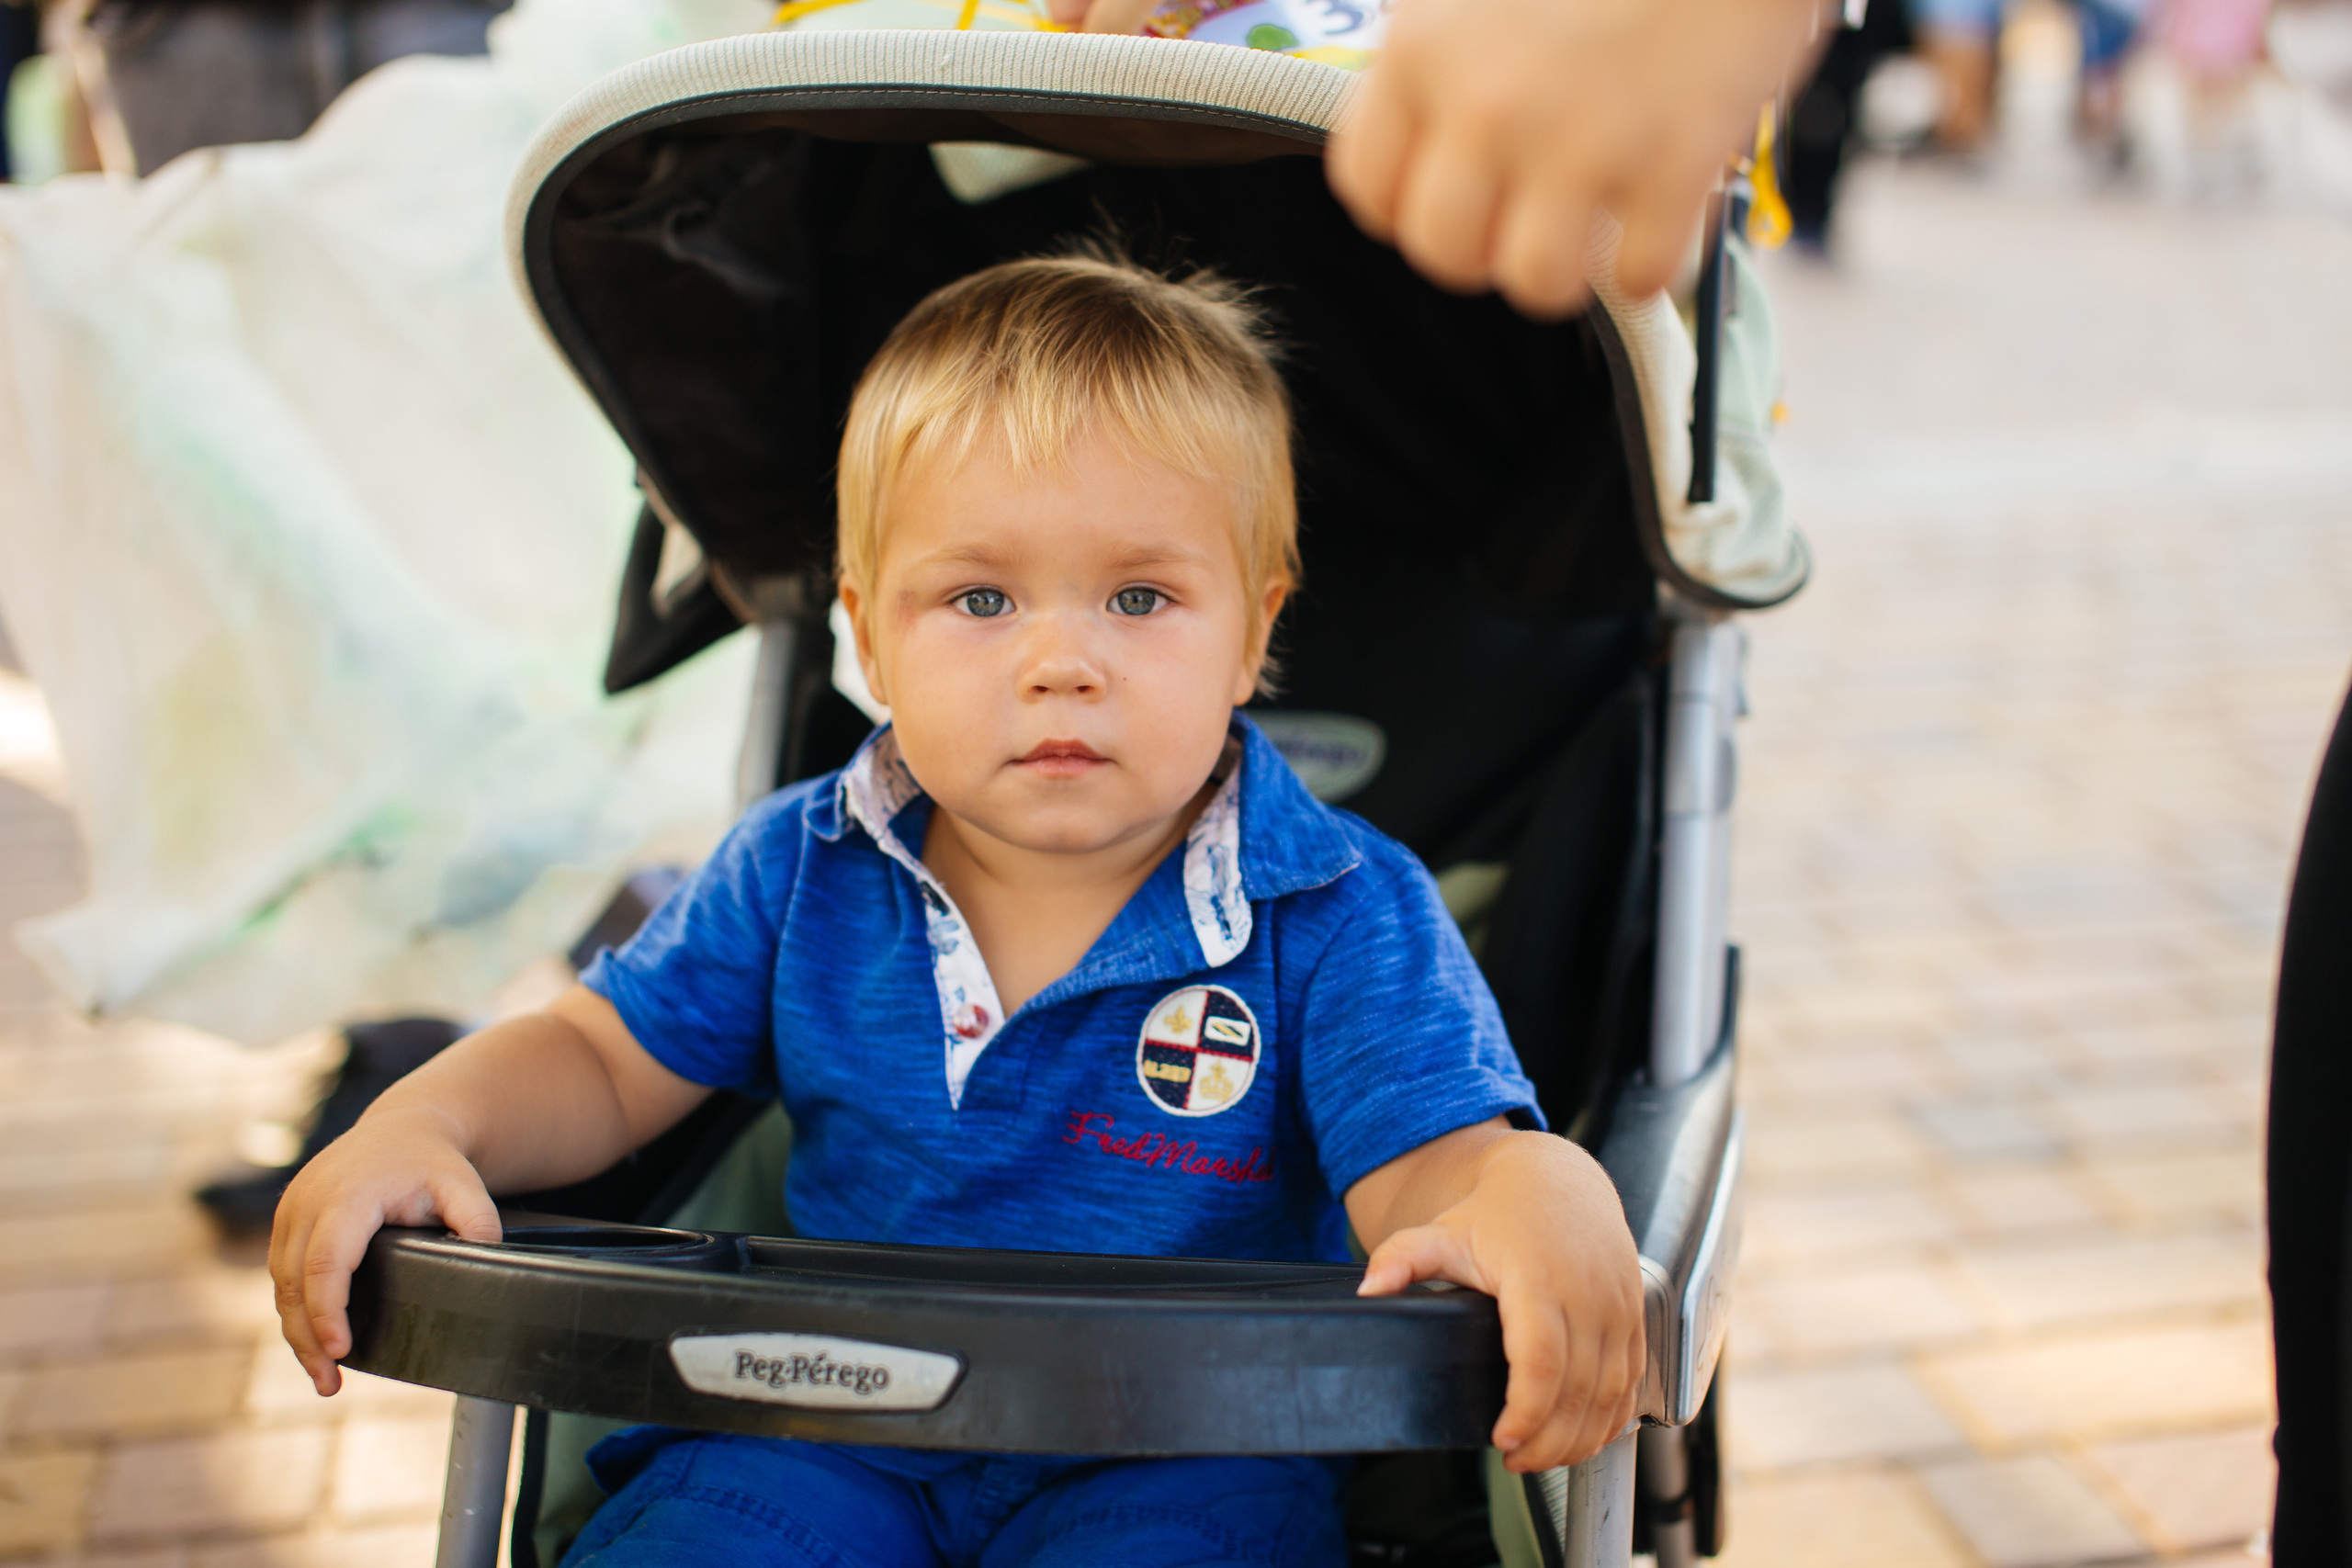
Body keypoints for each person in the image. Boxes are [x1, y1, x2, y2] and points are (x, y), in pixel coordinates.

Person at [269, 253, 1647, 1565]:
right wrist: (425, 1120)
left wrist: (1532, 1182)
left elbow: (1431, 1159)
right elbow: (596, 1057)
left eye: (1139, 597)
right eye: (981, 598)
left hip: (1184, 1447)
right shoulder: (801, 869)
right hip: (819, 1421)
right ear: (868, 638)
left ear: (1252, 633)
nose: (1062, 661)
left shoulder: (1334, 910)